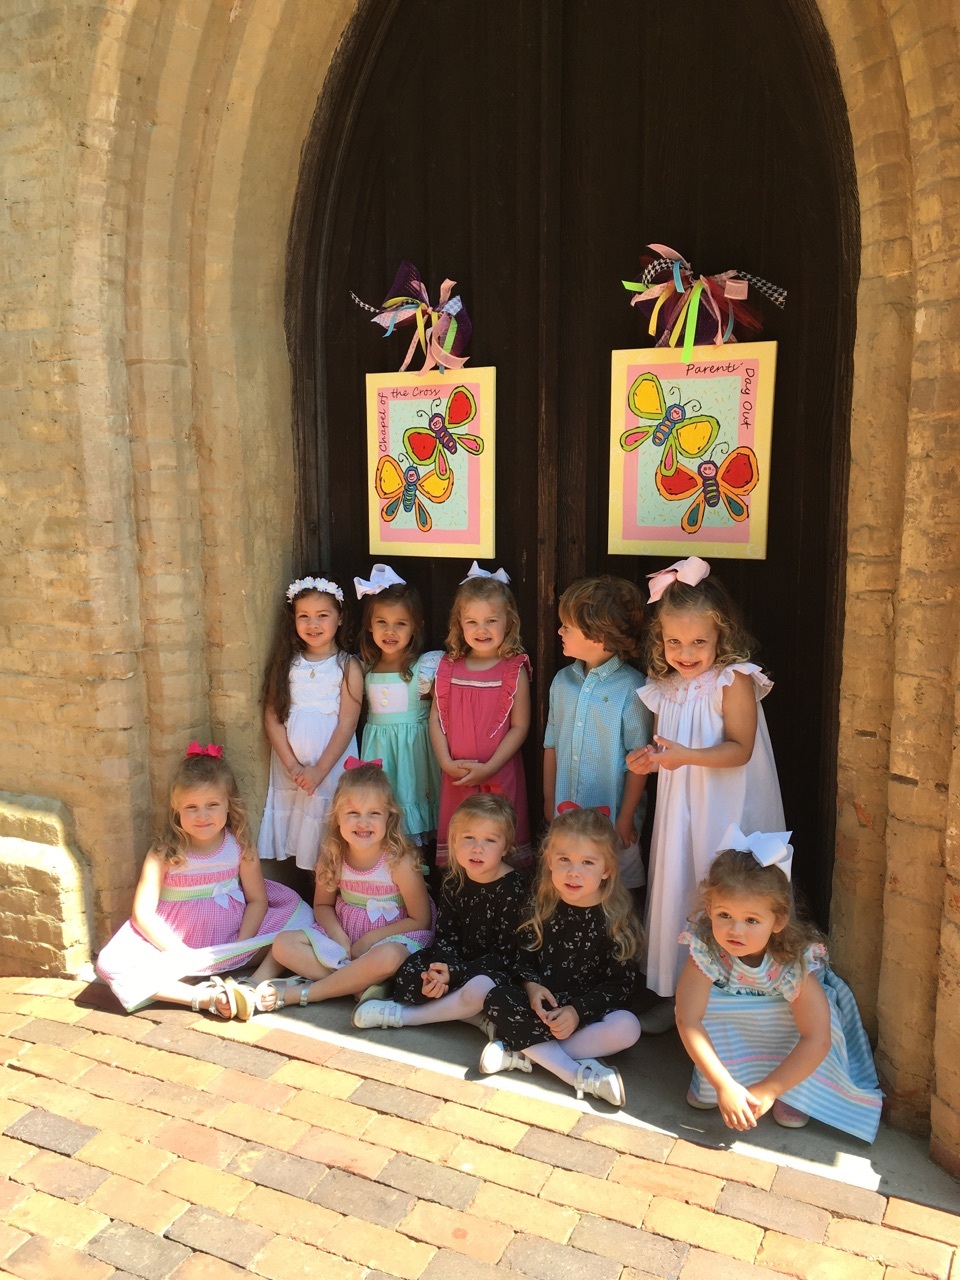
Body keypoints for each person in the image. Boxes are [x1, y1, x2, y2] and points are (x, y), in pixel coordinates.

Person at [626, 556, 784, 1012]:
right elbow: (668, 748)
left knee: (729, 890)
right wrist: (650, 761)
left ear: (721, 636)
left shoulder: (733, 680)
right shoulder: (666, 685)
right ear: (660, 640)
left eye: (699, 641)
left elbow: (740, 749)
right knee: (684, 884)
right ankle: (681, 996)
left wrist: (683, 757)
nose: (686, 652)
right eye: (674, 641)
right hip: (682, 810)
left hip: (727, 807)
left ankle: (735, 1001)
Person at [675, 831, 883, 1141]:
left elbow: (817, 1038)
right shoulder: (706, 950)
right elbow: (687, 1019)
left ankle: (793, 1089)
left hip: (785, 1034)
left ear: (779, 920)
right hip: (737, 1034)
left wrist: (768, 1091)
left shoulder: (793, 962)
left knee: (796, 1016)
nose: (735, 930)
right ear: (709, 908)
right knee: (715, 1008)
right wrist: (722, 1085)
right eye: (724, 915)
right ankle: (722, 1081)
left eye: (751, 920)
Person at [95, 744, 314, 1018]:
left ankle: (254, 981)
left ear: (229, 805)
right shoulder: (164, 853)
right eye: (192, 807)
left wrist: (242, 942)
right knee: (111, 965)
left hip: (233, 936)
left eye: (212, 805)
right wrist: (177, 952)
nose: (202, 816)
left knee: (301, 924)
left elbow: (258, 900)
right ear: (176, 809)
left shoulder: (239, 847)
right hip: (177, 942)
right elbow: (142, 914)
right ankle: (203, 997)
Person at [480, 806, 642, 1106]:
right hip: (540, 1010)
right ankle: (575, 1073)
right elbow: (521, 960)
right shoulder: (540, 905)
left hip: (587, 1015)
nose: (573, 872)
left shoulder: (616, 919)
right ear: (549, 861)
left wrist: (577, 1011)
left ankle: (521, 1051)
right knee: (495, 996)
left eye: (587, 862)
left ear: (607, 869)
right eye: (564, 859)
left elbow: (620, 985)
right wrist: (532, 987)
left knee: (628, 1027)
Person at [254, 762, 434, 1010]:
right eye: (353, 813)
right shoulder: (333, 857)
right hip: (345, 940)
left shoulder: (399, 861)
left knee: (390, 957)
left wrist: (370, 939)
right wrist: (338, 936)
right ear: (337, 817)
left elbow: (421, 920)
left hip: (391, 939)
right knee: (283, 944)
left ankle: (310, 992)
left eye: (374, 813)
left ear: (389, 817)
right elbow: (322, 905)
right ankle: (357, 984)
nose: (363, 822)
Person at [352, 792, 529, 1030]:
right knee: (411, 973)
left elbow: (506, 956)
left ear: (506, 847)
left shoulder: (513, 889)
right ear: (454, 841)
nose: (477, 848)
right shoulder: (453, 881)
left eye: (490, 840)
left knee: (484, 989)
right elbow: (446, 935)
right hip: (456, 962)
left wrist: (454, 972)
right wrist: (438, 970)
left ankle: (402, 1015)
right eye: (468, 837)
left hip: (492, 969)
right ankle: (474, 1017)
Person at [543, 575, 652, 891]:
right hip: (564, 817)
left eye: (567, 626)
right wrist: (549, 800)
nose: (559, 631)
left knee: (617, 891)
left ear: (599, 635)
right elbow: (551, 744)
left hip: (614, 821)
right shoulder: (562, 682)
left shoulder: (632, 689)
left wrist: (625, 818)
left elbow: (639, 760)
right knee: (569, 884)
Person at [431, 562, 532, 866]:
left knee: (496, 841)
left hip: (498, 773)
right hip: (457, 776)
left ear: (508, 622)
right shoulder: (448, 667)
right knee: (462, 841)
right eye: (472, 622)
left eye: (491, 620)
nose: (481, 629)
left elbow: (520, 726)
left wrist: (490, 768)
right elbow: (436, 719)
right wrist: (445, 762)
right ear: (459, 624)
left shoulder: (513, 669)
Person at [259, 575, 362, 870]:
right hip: (291, 768)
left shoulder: (347, 666)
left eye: (322, 615)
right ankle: (310, 891)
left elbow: (347, 724)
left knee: (328, 834)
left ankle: (331, 890)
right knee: (303, 835)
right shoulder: (287, 664)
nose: (312, 624)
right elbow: (272, 717)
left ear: (340, 618)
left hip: (329, 765)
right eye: (304, 616)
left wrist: (319, 770)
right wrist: (293, 766)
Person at [354, 563, 442, 847]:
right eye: (382, 622)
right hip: (379, 754)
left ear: (416, 626)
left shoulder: (424, 668)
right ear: (370, 624)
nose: (390, 631)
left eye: (400, 623)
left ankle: (417, 869)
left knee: (411, 815)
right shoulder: (363, 667)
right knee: (381, 813)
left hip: (414, 758)